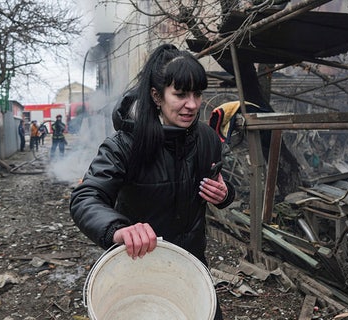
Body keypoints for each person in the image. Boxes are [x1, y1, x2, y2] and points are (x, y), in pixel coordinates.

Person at [69, 43, 235, 320]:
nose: (192, 104)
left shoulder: (206, 138)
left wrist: (225, 193)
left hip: (192, 267)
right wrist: (119, 230)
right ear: (157, 96)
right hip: (139, 268)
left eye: (197, 94)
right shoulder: (125, 144)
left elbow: (220, 181)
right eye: (180, 94)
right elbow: (86, 197)